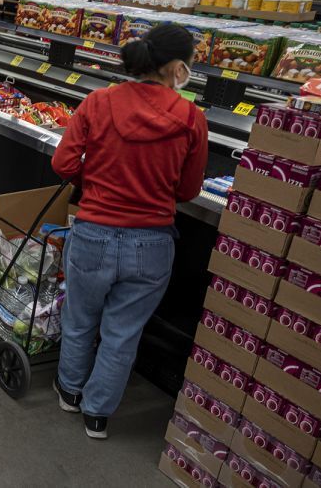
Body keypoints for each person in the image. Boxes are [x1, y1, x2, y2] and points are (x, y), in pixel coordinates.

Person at [51, 23, 208, 440]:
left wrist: (98, 181)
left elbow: (63, 164)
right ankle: (97, 416)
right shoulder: (192, 118)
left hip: (93, 234)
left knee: (80, 319)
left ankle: (68, 393)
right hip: (152, 242)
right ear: (178, 68)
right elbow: (189, 190)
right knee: (122, 333)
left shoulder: (98, 102)